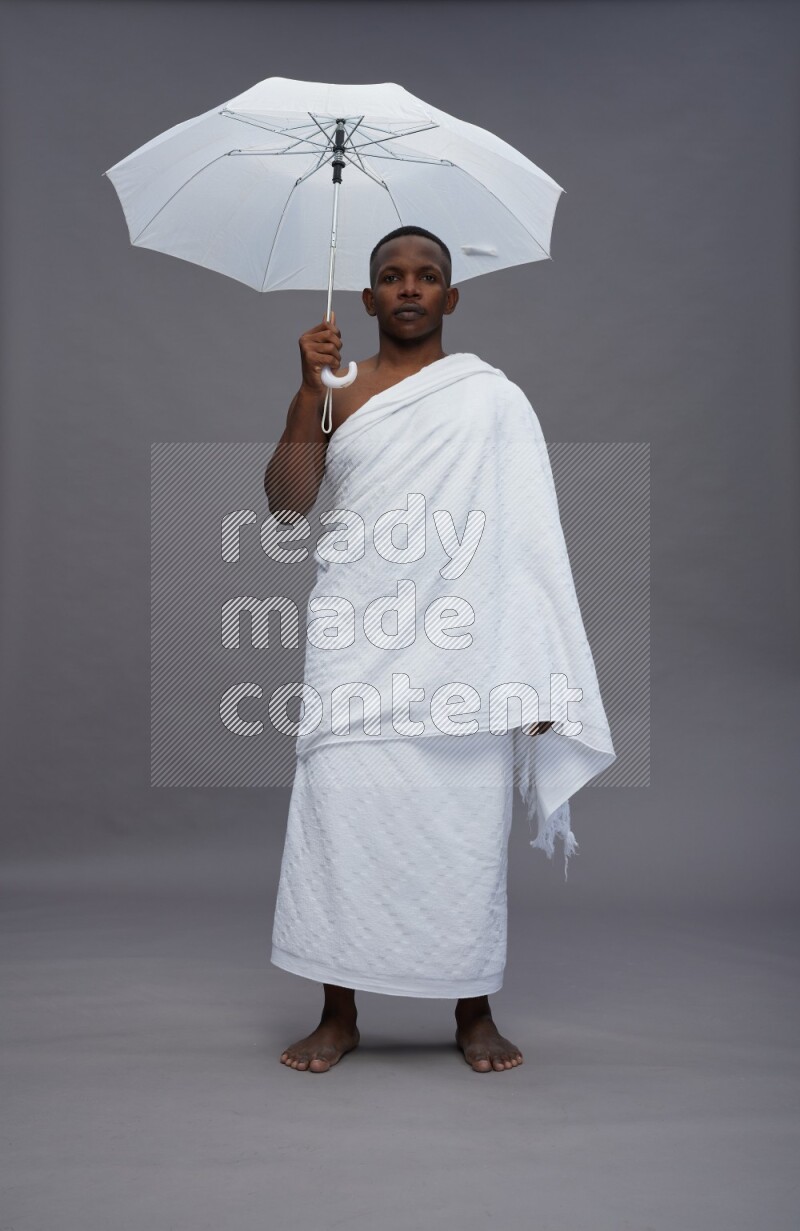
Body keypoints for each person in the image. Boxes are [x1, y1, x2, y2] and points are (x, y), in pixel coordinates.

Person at [265, 226, 555, 1074]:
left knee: (462, 822)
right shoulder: (339, 391)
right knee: (341, 818)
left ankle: (472, 1010)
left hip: (461, 649)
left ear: (451, 297)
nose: (409, 287)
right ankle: (338, 1011)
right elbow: (287, 502)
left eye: (427, 276)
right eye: (391, 276)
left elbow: (528, 540)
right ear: (365, 299)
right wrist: (305, 389)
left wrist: (534, 668)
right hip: (357, 638)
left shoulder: (492, 399)